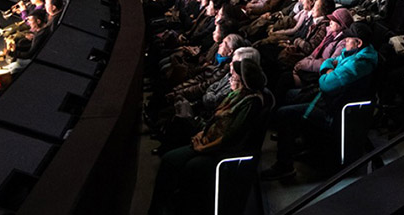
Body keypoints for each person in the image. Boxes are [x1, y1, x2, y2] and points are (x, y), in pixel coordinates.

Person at [148, 56, 269, 215]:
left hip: (222, 149)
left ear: (243, 81)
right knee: (171, 156)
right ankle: (163, 207)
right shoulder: (236, 95)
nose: (230, 79)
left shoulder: (251, 102)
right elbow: (217, 119)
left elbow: (231, 135)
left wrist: (204, 143)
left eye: (234, 77)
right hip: (210, 139)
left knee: (178, 161)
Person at [262, 22, 378, 180]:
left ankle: (284, 166)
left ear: (359, 43)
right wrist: (329, 68)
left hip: (334, 111)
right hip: (330, 100)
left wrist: (328, 70)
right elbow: (331, 60)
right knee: (290, 94)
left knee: (284, 114)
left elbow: (326, 84)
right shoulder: (353, 54)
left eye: (348, 39)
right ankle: (300, 142)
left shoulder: (359, 64)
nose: (344, 42)